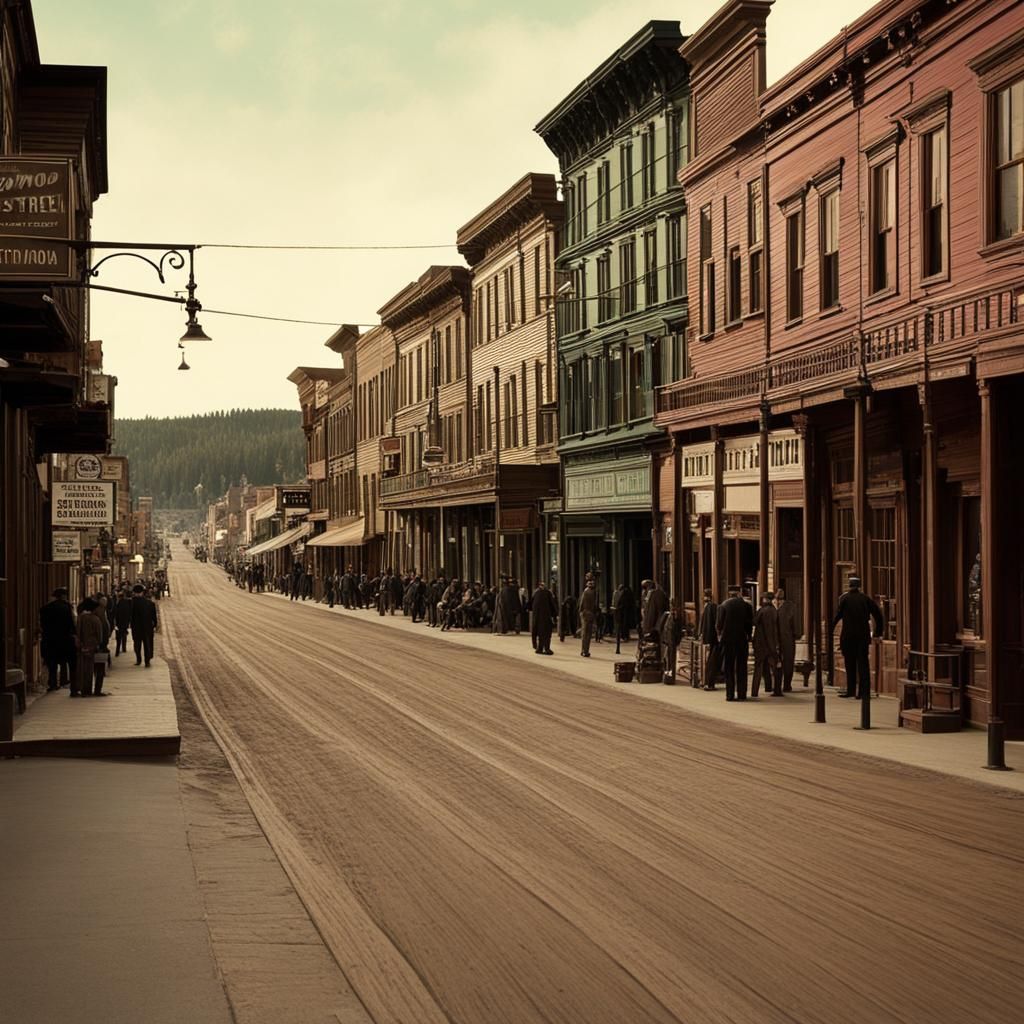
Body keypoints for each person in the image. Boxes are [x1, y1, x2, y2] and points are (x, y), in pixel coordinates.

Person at [832, 575, 884, 699]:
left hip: (848, 636)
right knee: (863, 664)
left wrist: (831, 629)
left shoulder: (845, 599)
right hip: (862, 636)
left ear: (849, 586)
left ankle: (850, 690)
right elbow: (878, 615)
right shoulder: (865, 599)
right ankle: (863, 692)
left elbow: (838, 616)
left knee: (850, 664)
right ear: (859, 586)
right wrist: (878, 632)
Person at [716, 583, 753, 701]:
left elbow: (719, 625)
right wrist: (748, 636)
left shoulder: (723, 605)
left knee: (729, 667)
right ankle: (742, 693)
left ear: (729, 594)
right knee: (742, 666)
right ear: (739, 593)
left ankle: (730, 694)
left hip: (728, 640)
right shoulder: (747, 606)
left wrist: (720, 636)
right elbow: (749, 624)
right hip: (742, 639)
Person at [39, 587, 76, 690]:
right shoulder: (67, 607)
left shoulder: (46, 608)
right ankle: (64, 680)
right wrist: (74, 633)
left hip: (50, 639)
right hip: (64, 638)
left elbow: (42, 624)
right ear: (63, 596)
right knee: (65, 661)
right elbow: (71, 623)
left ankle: (52, 683)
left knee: (52, 663)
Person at [75, 597, 107, 697]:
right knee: (97, 669)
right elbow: (100, 635)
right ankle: (95, 690)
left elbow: (77, 632)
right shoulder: (95, 619)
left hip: (83, 646)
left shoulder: (80, 618)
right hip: (94, 646)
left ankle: (84, 688)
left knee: (83, 669)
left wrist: (80, 643)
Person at [751, 593, 781, 698]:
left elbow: (755, 622)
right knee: (774, 668)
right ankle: (775, 689)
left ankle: (754, 691)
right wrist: (774, 647)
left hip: (761, 644)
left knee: (759, 669)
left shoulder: (762, 610)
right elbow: (772, 630)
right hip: (769, 644)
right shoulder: (773, 611)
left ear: (765, 599)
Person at [130, 584, 159, 668]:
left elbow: (130, 615)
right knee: (147, 644)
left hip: (136, 627)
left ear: (134, 592)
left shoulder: (132, 603)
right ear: (142, 592)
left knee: (137, 644)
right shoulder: (150, 603)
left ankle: (138, 659)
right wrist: (155, 624)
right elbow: (154, 616)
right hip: (147, 627)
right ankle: (147, 661)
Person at [775, 588, 799, 692]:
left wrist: (795, 634)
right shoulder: (771, 606)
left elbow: (795, 623)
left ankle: (786, 684)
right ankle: (778, 685)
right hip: (778, 638)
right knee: (777, 661)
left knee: (788, 662)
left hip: (787, 637)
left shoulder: (790, 606)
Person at [698, 588, 721, 690]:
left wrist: (701, 634)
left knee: (709, 660)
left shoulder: (707, 607)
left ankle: (707, 681)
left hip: (708, 637)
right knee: (712, 660)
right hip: (713, 638)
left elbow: (703, 623)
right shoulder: (713, 607)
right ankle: (709, 682)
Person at [659, 598, 685, 684]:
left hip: (670, 640)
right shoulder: (669, 615)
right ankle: (668, 676)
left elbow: (676, 629)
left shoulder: (674, 616)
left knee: (670, 659)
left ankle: (669, 676)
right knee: (668, 659)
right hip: (669, 640)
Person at [531, 581, 558, 655]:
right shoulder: (548, 593)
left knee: (539, 633)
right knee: (546, 633)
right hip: (546, 616)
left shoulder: (535, 593)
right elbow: (552, 605)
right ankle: (546, 648)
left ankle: (539, 648)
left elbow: (530, 605)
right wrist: (555, 615)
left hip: (537, 617)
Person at [578, 580, 598, 657]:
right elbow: (594, 604)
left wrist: (580, 612)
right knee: (588, 634)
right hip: (590, 614)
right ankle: (586, 651)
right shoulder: (593, 592)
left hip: (585, 613)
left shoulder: (586, 591)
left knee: (584, 633)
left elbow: (582, 603)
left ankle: (583, 650)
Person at [113, 588, 133, 656]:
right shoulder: (126, 602)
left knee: (119, 637)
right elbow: (129, 612)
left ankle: (117, 651)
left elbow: (116, 613)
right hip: (125, 622)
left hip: (119, 622)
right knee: (124, 634)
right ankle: (124, 648)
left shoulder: (119, 603)